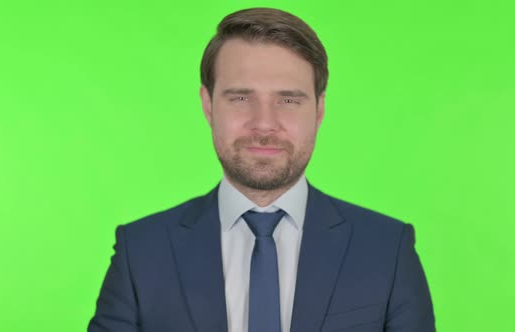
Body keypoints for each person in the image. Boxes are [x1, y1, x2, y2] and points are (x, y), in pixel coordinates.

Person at [88, 7, 435, 332]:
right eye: (241, 98)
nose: (265, 124)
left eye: (288, 100)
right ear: (208, 105)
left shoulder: (387, 250)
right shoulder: (142, 252)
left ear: (319, 109)